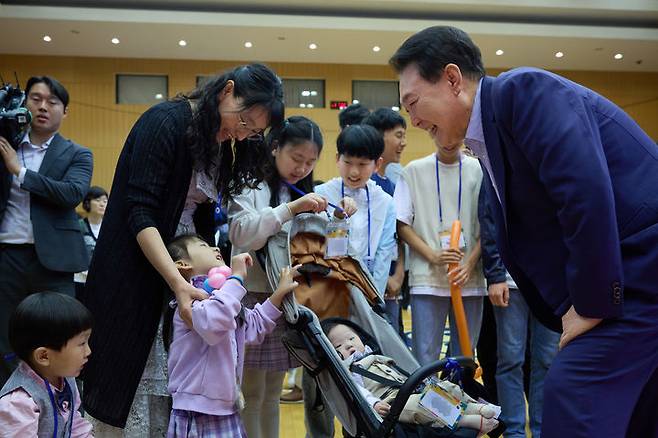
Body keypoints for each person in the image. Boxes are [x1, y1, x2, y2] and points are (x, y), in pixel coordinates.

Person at [391, 25, 658, 437]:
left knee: (575, 393)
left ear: (451, 79)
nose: (411, 119)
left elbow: (584, 190)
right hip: (632, 271)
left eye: (413, 103)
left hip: (643, 265)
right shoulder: (488, 136)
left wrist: (591, 304)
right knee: (636, 409)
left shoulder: (524, 91)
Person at [81, 63, 285, 432]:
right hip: (139, 268)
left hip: (185, 271)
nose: (241, 135)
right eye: (243, 122)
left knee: (181, 378)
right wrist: (176, 280)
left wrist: (209, 276)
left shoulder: (218, 145)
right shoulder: (165, 122)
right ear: (226, 91)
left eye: (252, 132)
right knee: (130, 380)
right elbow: (138, 211)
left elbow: (203, 220)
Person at [226, 116, 326, 438]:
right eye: (296, 159)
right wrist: (289, 210)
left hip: (286, 302)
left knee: (272, 395)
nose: (302, 168)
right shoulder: (249, 184)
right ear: (274, 148)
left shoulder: (300, 191)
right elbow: (242, 234)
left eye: (310, 162)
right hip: (254, 300)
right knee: (250, 394)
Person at [0, 75, 93, 386]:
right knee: (6, 335)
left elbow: (71, 193)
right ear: (24, 103)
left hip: (54, 261)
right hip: (7, 254)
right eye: (36, 99)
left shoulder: (77, 153)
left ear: (64, 112)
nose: (43, 107)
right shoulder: (5, 145)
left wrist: (20, 171)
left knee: (62, 336)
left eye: (52, 102)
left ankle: (63, 412)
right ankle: (10, 414)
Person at [165, 234, 299, 437]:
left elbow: (252, 325)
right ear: (182, 264)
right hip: (197, 411)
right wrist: (236, 277)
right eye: (204, 245)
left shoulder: (224, 296)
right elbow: (213, 321)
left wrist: (278, 293)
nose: (215, 248)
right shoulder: (189, 302)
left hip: (227, 408)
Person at [394, 135, 484, 365]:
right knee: (425, 356)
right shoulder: (413, 171)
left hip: (469, 277)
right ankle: (424, 401)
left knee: (465, 353)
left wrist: (471, 262)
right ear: (431, 130)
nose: (448, 139)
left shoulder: (480, 170)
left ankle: (459, 400)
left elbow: (491, 225)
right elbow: (401, 223)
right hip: (427, 278)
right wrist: (432, 255)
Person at [324, 322, 500, 436]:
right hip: (391, 403)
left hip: (408, 388)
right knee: (421, 404)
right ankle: (466, 420)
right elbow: (358, 392)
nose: (348, 345)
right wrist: (374, 404)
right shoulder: (348, 372)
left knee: (445, 387)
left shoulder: (377, 355)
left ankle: (475, 408)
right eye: (339, 346)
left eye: (351, 338)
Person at [479, 186, 559, 437]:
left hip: (551, 282)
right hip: (510, 282)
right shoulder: (498, 161)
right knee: (510, 359)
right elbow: (489, 221)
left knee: (547, 359)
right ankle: (513, 431)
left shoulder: (555, 163)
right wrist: (495, 274)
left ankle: (542, 428)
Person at [315, 124, 397, 297]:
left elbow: (384, 254)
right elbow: (326, 249)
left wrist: (375, 296)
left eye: (362, 164)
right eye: (347, 162)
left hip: (370, 288)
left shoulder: (385, 202)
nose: (354, 171)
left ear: (377, 164)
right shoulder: (322, 194)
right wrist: (338, 220)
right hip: (328, 286)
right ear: (337, 158)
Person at [0, 292, 93, 437]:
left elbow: (74, 425)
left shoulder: (66, 378)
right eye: (81, 343)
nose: (88, 351)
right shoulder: (20, 401)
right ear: (43, 356)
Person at [362, 108, 408, 333]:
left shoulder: (391, 185)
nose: (404, 142)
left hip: (391, 286)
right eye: (399, 135)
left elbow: (397, 235)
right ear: (380, 136)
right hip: (367, 284)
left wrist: (398, 275)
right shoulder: (362, 183)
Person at [74, 186, 108, 300]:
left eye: (105, 201)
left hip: (103, 279)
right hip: (79, 278)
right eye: (98, 200)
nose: (102, 204)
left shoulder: (110, 228)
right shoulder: (78, 226)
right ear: (88, 203)